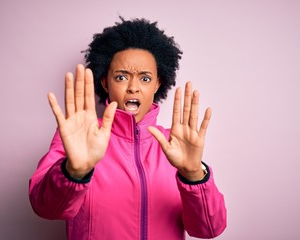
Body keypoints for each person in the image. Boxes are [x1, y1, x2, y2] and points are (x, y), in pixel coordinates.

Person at [29, 17, 227, 240]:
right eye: (121, 77)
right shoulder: (81, 138)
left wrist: (194, 176)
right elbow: (46, 209)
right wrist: (73, 172)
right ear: (105, 83)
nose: (133, 87)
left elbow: (209, 230)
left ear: (157, 84)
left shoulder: (175, 145)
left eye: (145, 78)